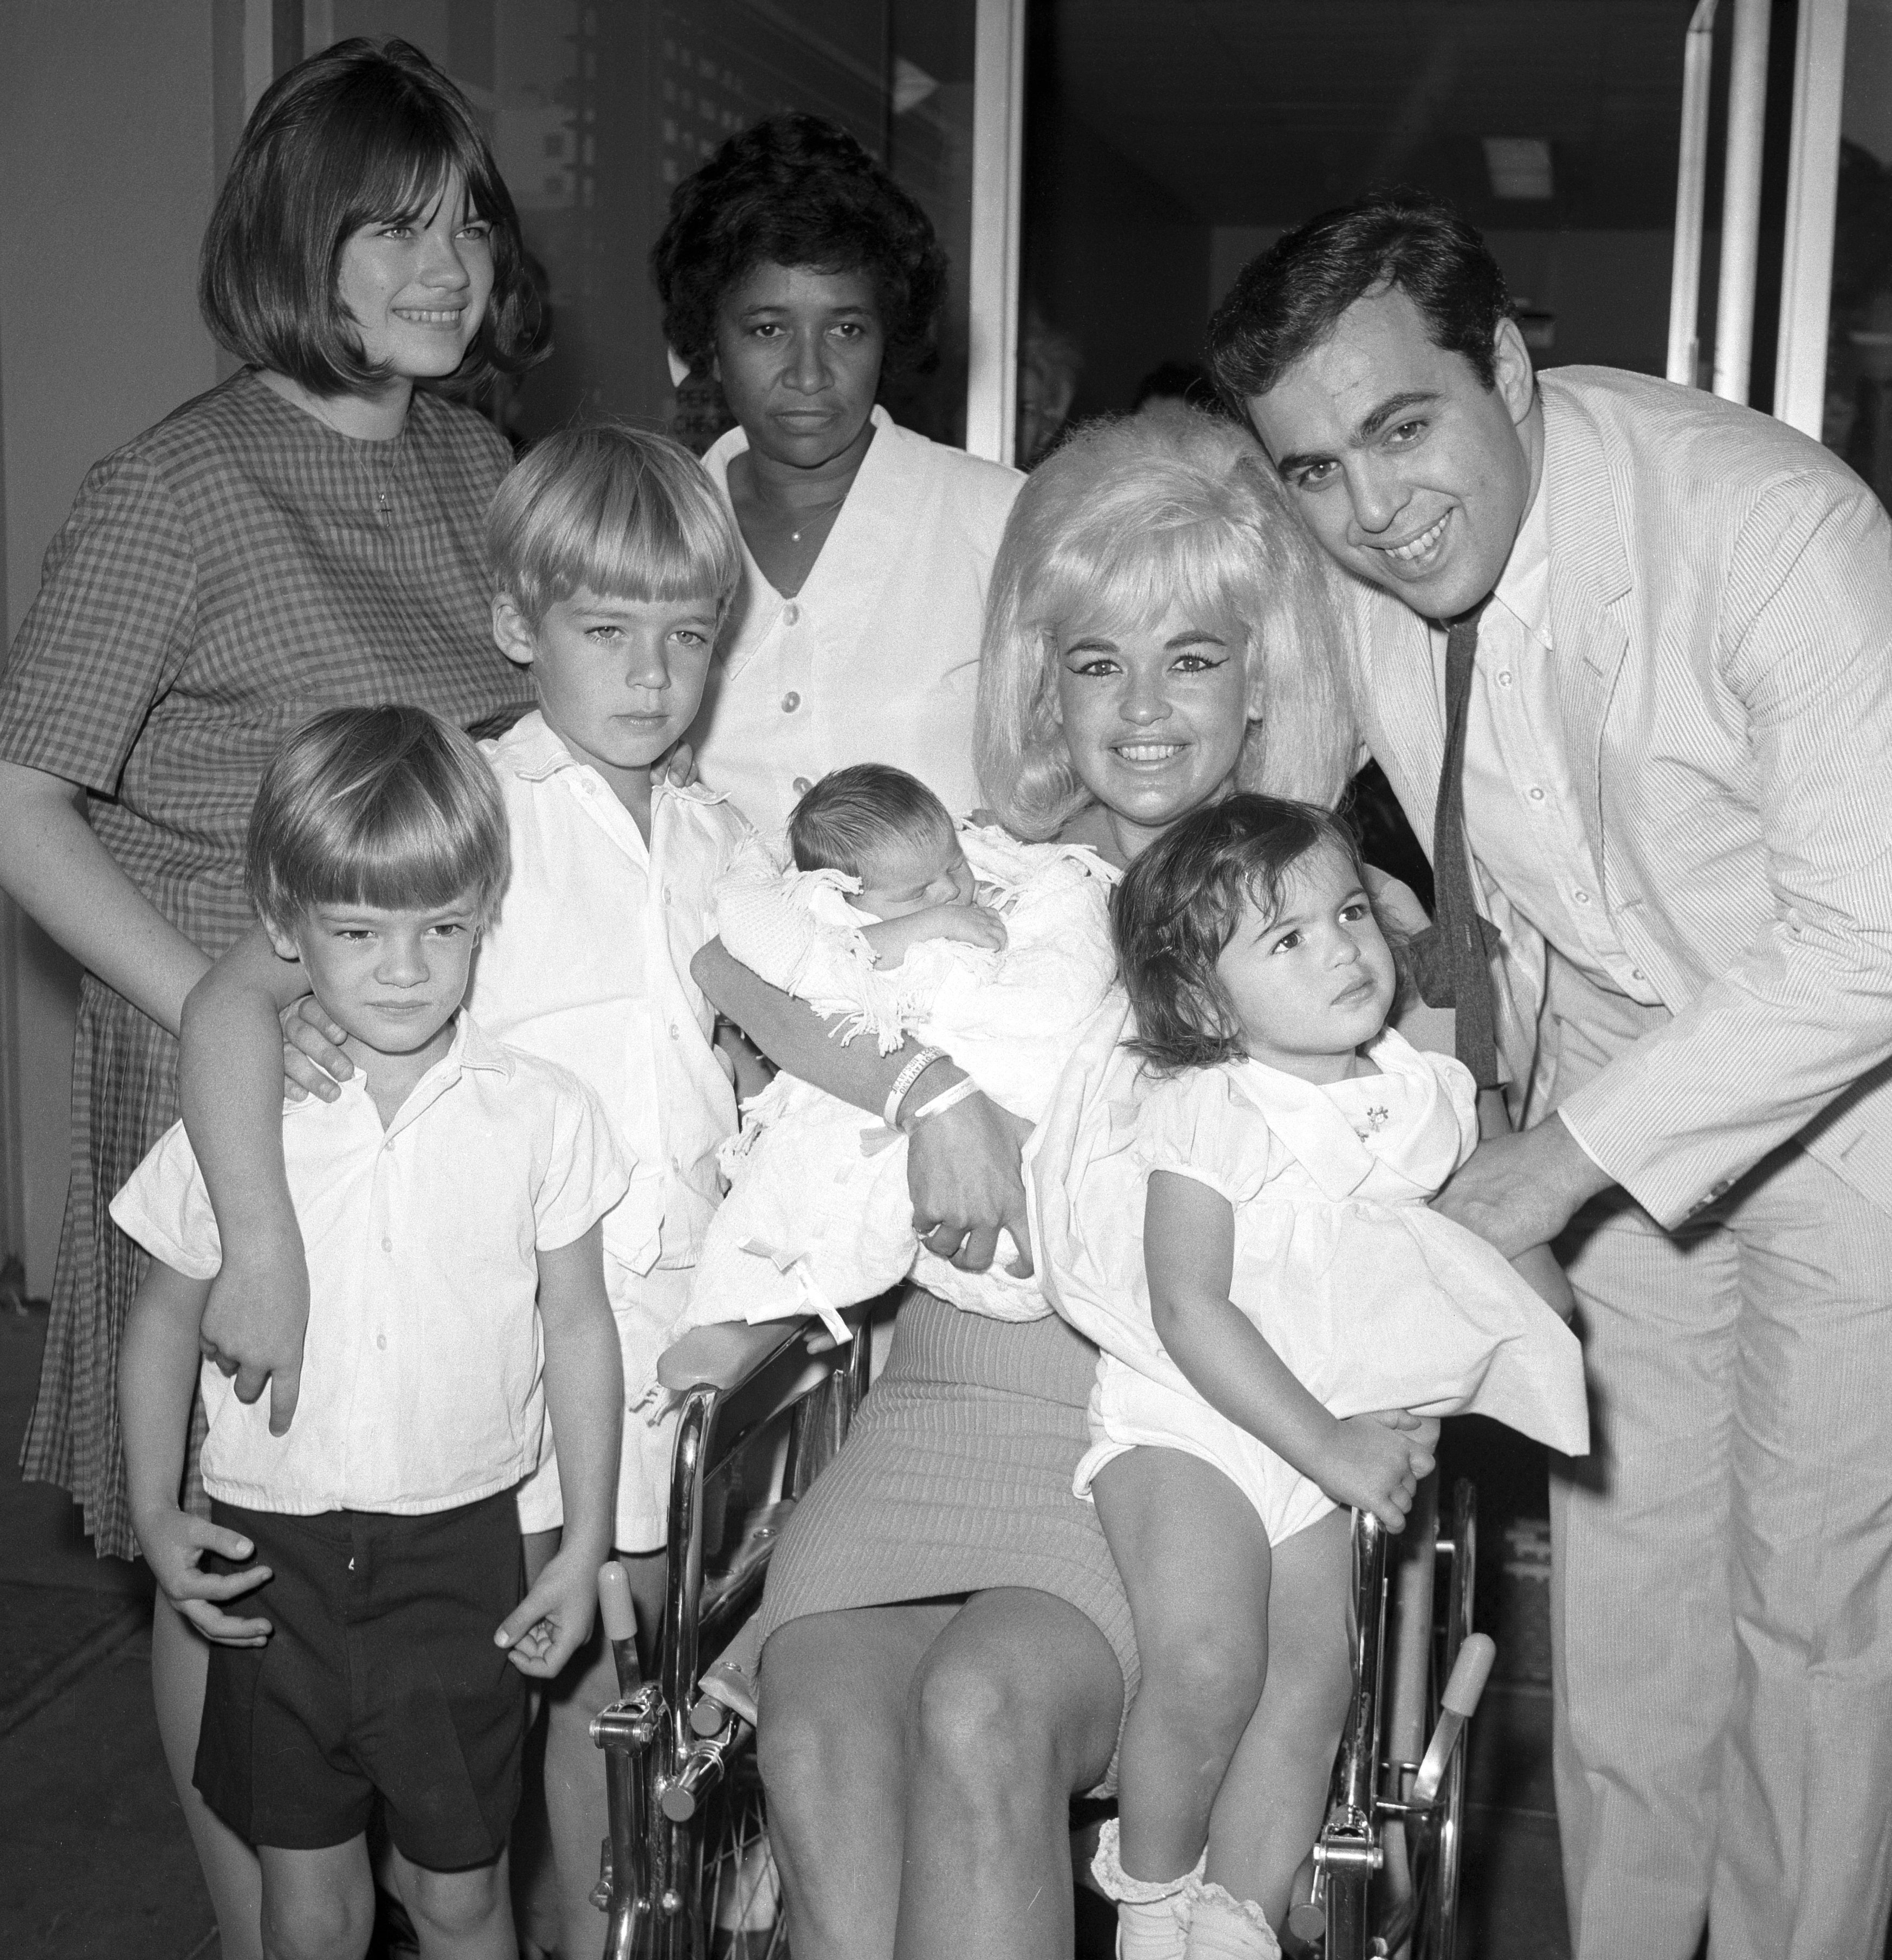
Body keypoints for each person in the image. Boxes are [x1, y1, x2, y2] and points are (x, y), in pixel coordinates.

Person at [1207, 190, 1892, 1960]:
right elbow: (1274, 831)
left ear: (1507, 366)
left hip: (1851, 1099)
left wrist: (1547, 1163)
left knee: (1812, 1624)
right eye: (1312, 471)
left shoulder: (1773, 528)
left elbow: (1869, 944)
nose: (1368, 508)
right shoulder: (1360, 572)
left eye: (1401, 427)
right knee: (1635, 1601)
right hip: (1602, 1067)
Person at [685, 409, 1363, 1960]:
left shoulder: (1326, 916)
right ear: (1042, 683)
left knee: (980, 1715)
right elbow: (736, 951)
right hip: (933, 1399)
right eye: (1094, 659)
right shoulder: (977, 870)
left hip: (1141, 1437)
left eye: (1191, 657)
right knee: (812, 1724)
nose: (1139, 709)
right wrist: (922, 1090)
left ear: (1260, 678)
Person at [0, 38, 541, 1955]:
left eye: (464, 220)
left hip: (413, 1037)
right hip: (217, 1056)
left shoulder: (481, 463)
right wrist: (210, 997)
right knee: (242, 1531)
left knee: (413, 1500)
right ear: (291, 242)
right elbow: (19, 800)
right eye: (391, 225)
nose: (443, 263)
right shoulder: (176, 483)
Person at [176, 424, 750, 1958]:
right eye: (607, 632)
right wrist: (258, 1240)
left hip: (677, 1344)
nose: (650, 673)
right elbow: (239, 999)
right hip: (494, 1356)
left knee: (640, 1699)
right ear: (516, 628)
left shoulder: (725, 843)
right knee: (528, 1713)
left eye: (687, 637)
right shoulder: (462, 808)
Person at [1030, 792, 1585, 1958]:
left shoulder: (1416, 1094)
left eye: (1346, 912)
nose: (1342, 946)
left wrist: (1501, 1325)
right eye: (1286, 938)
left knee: (1317, 1671)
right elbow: (1188, 1304)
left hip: (1331, 1434)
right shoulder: (1206, 1102)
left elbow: (1495, 1249)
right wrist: (1327, 1445)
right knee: (1209, 1651)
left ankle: (1231, 1913)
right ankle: (1153, 1890)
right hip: (1196, 1419)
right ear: (1198, 998)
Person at [115, 706, 625, 1960]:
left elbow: (578, 1320)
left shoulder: (538, 1113)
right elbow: (163, 1316)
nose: (405, 966)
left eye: (441, 926)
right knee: (309, 1911)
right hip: (266, 1551)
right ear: (287, 928)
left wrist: (587, 1543)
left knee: (459, 1896)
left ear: (479, 916)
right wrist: (154, 1511)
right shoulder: (243, 1122)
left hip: (460, 1560)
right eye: (358, 930)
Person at [651, 111, 1023, 833]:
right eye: (767, 329)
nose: (809, 374)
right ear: (710, 340)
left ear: (888, 336)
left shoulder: (1000, 520)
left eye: (845, 329)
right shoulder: (651, 533)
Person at [675, 762, 1115, 1338]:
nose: (953, 890)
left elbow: (1054, 974)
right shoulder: (825, 917)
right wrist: (935, 927)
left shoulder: (1026, 874)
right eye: (919, 893)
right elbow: (833, 960)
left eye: (954, 866)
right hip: (928, 1089)